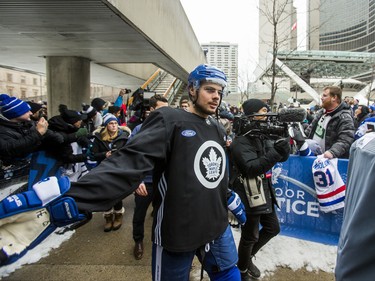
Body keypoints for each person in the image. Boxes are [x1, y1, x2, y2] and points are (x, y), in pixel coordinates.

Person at [67, 64, 242, 280]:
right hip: (178, 229)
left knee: (230, 275)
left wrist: (228, 198)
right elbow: (129, 162)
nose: (216, 96)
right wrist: (76, 197)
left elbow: (214, 175)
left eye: (219, 91)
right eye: (210, 90)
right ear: (192, 89)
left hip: (216, 225)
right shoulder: (169, 119)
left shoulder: (216, 127)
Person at [229, 99, 290, 280]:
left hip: (264, 191)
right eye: (263, 111)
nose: (267, 114)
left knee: (272, 228)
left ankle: (244, 260)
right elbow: (251, 168)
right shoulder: (240, 141)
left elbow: (280, 157)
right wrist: (275, 151)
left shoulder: (262, 135)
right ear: (252, 114)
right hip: (250, 193)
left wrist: (283, 147)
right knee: (250, 236)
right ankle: (241, 268)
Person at [130, 94, 168, 260]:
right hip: (145, 182)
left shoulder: (171, 128)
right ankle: (138, 241)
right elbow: (130, 157)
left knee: (162, 215)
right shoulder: (139, 130)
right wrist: (137, 180)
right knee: (139, 215)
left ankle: (158, 241)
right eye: (161, 109)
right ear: (151, 110)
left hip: (164, 182)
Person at [88, 113, 129, 232]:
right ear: (106, 126)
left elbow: (128, 153)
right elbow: (93, 155)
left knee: (116, 194)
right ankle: (108, 217)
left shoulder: (123, 137)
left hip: (118, 169)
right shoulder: (98, 138)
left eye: (116, 123)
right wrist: (104, 154)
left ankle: (118, 216)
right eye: (111, 123)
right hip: (103, 170)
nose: (114, 126)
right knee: (105, 194)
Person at [304, 86, 355, 159]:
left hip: (328, 162)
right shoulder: (321, 112)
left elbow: (346, 140)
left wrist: (332, 152)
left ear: (334, 98)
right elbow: (310, 130)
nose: (322, 98)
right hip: (314, 157)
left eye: (325, 96)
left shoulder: (344, 117)